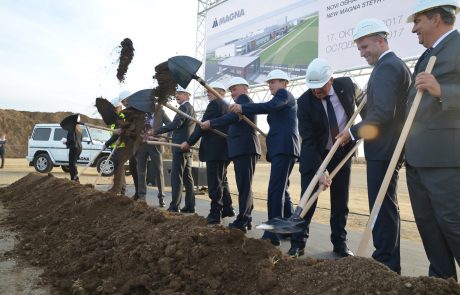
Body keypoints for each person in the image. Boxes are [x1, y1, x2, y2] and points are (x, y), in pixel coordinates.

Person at [336, 18, 411, 273]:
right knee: (384, 205)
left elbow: (381, 115)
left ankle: (386, 263)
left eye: (365, 46)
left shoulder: (388, 67)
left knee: (381, 206)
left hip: (384, 147)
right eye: (359, 48)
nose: (362, 52)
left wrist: (352, 134)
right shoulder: (387, 66)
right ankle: (388, 262)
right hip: (385, 147)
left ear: (381, 41)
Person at [405, 0, 460, 280]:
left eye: (418, 21)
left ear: (436, 18)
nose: (414, 29)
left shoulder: (458, 47)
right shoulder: (428, 54)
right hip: (417, 158)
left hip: (445, 160)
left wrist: (442, 90)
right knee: (429, 228)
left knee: (453, 225)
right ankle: (442, 283)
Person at [289, 58, 361, 258]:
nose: (316, 91)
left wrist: (356, 132)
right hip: (316, 154)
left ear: (331, 79)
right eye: (312, 87)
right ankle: (297, 243)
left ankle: (340, 243)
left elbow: (365, 105)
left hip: (342, 151)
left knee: (340, 202)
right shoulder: (304, 102)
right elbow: (309, 141)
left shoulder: (346, 85)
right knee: (308, 199)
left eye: (320, 87)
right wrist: (320, 170)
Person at [228, 70, 299, 245]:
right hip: (282, 148)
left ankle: (272, 235)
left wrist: (243, 107)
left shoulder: (284, 95)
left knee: (275, 191)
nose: (270, 85)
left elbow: (269, 106)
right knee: (282, 190)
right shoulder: (282, 99)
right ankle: (287, 229)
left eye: (273, 82)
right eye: (269, 82)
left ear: (284, 83)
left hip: (285, 147)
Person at [201, 77, 261, 227]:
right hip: (241, 149)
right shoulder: (238, 103)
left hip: (245, 148)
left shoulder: (244, 99)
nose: (232, 93)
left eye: (235, 89)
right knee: (244, 186)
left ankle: (243, 220)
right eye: (231, 90)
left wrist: (211, 122)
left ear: (245, 88)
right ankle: (246, 218)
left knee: (244, 187)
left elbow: (232, 117)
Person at [181, 82, 235, 221]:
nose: (208, 94)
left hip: (214, 150)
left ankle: (215, 213)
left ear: (220, 92)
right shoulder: (228, 106)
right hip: (225, 150)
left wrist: (189, 142)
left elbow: (201, 126)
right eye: (207, 91)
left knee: (214, 182)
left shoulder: (215, 104)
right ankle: (228, 208)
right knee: (222, 179)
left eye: (211, 91)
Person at [155, 85, 196, 212]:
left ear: (188, 95)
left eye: (181, 93)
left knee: (176, 178)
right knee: (187, 178)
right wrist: (167, 138)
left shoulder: (184, 107)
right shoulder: (191, 108)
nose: (177, 95)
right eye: (176, 93)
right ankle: (190, 206)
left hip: (180, 147)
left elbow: (175, 124)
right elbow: (179, 127)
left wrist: (155, 131)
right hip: (187, 147)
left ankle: (174, 206)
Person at [135, 106, 171, 206]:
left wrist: (166, 138)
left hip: (156, 144)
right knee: (141, 171)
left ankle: (161, 197)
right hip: (141, 145)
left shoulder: (160, 112)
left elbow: (170, 124)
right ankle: (142, 197)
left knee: (159, 171)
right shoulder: (139, 112)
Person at [104, 99, 128, 195]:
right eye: (113, 108)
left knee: (119, 168)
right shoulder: (114, 118)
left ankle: (120, 189)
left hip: (121, 146)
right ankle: (121, 189)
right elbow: (114, 133)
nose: (114, 110)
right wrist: (108, 144)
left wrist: (118, 140)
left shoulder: (122, 117)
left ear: (120, 107)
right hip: (115, 146)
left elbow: (123, 132)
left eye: (116, 108)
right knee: (118, 168)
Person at [66, 117, 83, 182]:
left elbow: (71, 139)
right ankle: (75, 178)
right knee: (74, 163)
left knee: (71, 164)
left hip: (74, 147)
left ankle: (74, 179)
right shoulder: (80, 129)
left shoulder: (72, 129)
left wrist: (66, 142)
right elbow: (80, 139)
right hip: (79, 148)